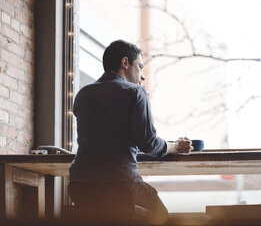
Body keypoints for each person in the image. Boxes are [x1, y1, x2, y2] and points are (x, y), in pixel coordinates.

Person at [68, 40, 193, 223]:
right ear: (125, 63)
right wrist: (175, 146)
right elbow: (148, 143)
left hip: (79, 187)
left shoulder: (83, 94)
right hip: (119, 185)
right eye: (140, 67)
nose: (142, 76)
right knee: (163, 218)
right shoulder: (135, 92)